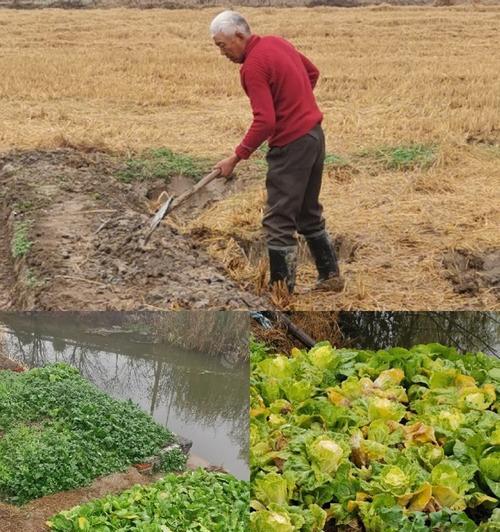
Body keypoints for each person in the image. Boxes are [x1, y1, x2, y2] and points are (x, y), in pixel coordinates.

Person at [210, 10, 343, 294]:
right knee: (307, 212)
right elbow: (312, 72)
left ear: (239, 35)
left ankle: (282, 291)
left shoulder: (252, 67)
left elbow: (265, 121)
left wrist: (235, 157)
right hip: (314, 137)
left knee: (279, 220)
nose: (222, 53)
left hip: (292, 145)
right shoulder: (277, 43)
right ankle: (331, 276)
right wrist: (297, 103)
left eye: (222, 45)